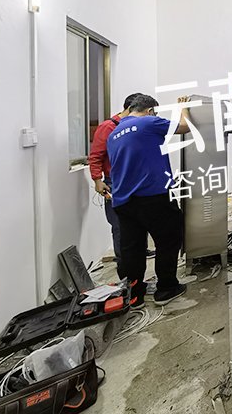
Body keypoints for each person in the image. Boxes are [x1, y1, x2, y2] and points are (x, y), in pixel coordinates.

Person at [107, 94, 192, 308]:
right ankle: (166, 288)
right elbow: (184, 127)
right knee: (168, 240)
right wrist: (184, 107)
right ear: (150, 110)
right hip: (153, 197)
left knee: (132, 249)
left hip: (123, 202)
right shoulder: (148, 122)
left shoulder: (114, 133)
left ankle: (134, 295)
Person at [88, 93, 155, 269]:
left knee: (139, 222)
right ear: (131, 109)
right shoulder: (107, 127)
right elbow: (95, 156)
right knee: (120, 227)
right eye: (146, 112)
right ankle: (125, 269)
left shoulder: (136, 126)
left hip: (137, 181)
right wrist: (97, 180)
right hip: (115, 183)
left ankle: (139, 254)